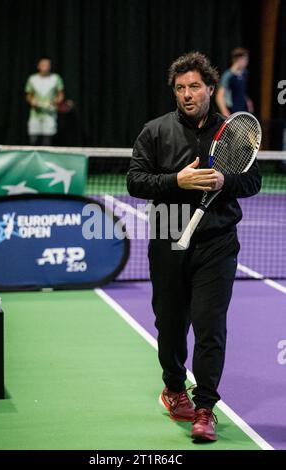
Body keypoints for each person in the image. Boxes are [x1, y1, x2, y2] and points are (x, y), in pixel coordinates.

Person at [127, 52, 261, 442]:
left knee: (209, 326)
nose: (187, 94)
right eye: (181, 88)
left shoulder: (234, 133)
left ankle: (204, 407)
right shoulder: (154, 131)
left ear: (210, 89)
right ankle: (173, 387)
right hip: (168, 239)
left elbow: (252, 182)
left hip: (216, 244)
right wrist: (176, 182)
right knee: (170, 327)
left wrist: (225, 181)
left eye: (195, 87)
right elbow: (135, 182)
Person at [25, 57, 64, 145]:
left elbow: (60, 95)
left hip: (50, 114)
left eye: (47, 65)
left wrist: (55, 102)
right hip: (35, 115)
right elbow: (29, 96)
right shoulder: (32, 79)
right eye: (43, 65)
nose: (45, 67)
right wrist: (32, 102)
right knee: (33, 140)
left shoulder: (56, 78)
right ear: (38, 66)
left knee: (48, 141)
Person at [216, 48, 254, 117]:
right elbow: (219, 97)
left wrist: (248, 102)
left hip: (244, 111)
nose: (247, 62)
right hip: (233, 111)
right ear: (239, 60)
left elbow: (242, 91)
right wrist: (225, 113)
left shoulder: (245, 73)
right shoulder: (228, 75)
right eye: (245, 59)